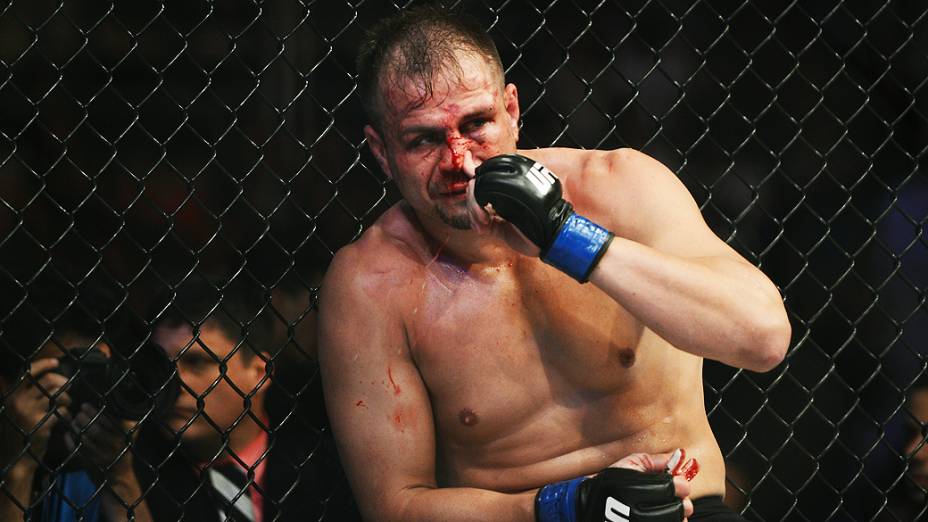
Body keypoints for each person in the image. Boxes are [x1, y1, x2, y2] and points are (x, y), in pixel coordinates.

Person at [317, 6, 791, 522]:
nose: (460, 161)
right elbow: (396, 507)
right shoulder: (372, 283)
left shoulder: (619, 189)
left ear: (512, 111)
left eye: (476, 125)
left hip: (684, 513)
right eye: (424, 139)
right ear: (382, 151)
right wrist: (566, 506)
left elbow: (762, 338)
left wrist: (568, 236)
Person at [120, 276, 358, 521]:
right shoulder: (131, 472)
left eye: (197, 362)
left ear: (259, 373)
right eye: (161, 367)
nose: (173, 383)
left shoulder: (331, 468)